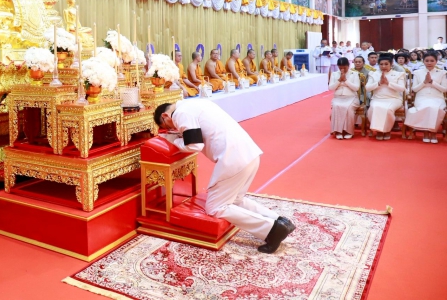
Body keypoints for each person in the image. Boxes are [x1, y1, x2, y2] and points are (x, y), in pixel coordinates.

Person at [154, 101, 296, 253]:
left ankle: (273, 229)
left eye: (167, 126)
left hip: (233, 158)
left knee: (215, 208)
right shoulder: (197, 103)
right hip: (249, 153)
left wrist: (172, 139)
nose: (172, 129)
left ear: (165, 116)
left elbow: (194, 145)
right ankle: (280, 221)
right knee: (236, 200)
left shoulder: (180, 113)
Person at [405, 52, 447, 144]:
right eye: (427, 61)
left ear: (436, 61)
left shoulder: (442, 73)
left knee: (436, 108)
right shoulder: (417, 72)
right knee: (427, 107)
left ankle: (433, 133)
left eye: (432, 61)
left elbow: (444, 89)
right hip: (422, 97)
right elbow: (415, 89)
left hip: (437, 97)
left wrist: (432, 82)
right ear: (423, 61)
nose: (429, 63)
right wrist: (424, 82)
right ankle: (426, 133)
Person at [366, 54, 406, 140]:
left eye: (386, 64)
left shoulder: (399, 74)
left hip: (394, 99)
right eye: (381, 64)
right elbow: (367, 88)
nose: (383, 66)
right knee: (374, 108)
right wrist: (379, 83)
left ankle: (387, 130)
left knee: (388, 109)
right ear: (378, 64)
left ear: (391, 64)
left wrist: (388, 83)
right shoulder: (373, 74)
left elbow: (402, 88)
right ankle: (379, 131)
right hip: (377, 98)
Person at [329, 57, 361, 139]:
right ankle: (338, 131)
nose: (342, 69)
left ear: (348, 65)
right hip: (338, 98)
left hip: (351, 97)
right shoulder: (334, 74)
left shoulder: (354, 74)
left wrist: (346, 80)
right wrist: (339, 80)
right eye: (340, 68)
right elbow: (331, 88)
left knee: (348, 108)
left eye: (344, 67)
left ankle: (348, 131)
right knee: (336, 106)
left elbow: (356, 88)